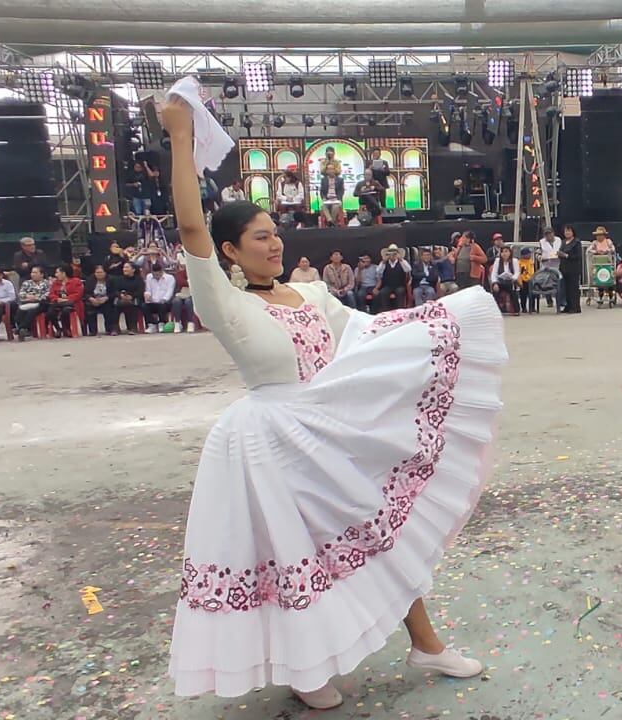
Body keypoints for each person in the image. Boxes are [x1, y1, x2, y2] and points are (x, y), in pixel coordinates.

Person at [160, 96, 505, 708]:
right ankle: (307, 668)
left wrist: (448, 319)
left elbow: (371, 332)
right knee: (295, 558)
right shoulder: (224, 302)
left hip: (329, 432)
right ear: (231, 252)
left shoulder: (309, 293)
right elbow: (191, 228)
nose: (274, 243)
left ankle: (424, 640)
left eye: (275, 233)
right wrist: (180, 137)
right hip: (268, 445)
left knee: (380, 533)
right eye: (259, 237)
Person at [46, 264, 83, 338]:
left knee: (66, 310)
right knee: (50, 311)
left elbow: (78, 294)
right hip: (58, 303)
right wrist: (58, 299)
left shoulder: (76, 281)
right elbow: (51, 294)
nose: (56, 275)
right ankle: (58, 329)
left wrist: (67, 299)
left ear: (64, 273)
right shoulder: (55, 283)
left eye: (57, 272)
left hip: (71, 303)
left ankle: (67, 329)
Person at [14, 265, 50, 340]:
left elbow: (48, 294)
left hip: (42, 304)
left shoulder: (47, 283)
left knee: (32, 311)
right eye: (32, 272)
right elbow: (21, 294)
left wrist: (36, 298)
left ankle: (21, 328)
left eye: (35, 272)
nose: (32, 274)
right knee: (20, 311)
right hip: (27, 302)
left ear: (41, 274)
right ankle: (23, 330)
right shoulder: (26, 283)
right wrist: (28, 297)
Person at [82, 264, 118, 336]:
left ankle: (110, 329)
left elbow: (114, 292)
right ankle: (93, 331)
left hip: (106, 300)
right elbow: (85, 293)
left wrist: (106, 298)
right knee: (89, 309)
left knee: (109, 308)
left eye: (101, 272)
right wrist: (91, 299)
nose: (99, 274)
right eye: (97, 272)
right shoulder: (90, 280)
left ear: (105, 273)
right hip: (94, 300)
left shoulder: (111, 279)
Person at [374, 244, 412, 313]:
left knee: (400, 292)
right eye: (390, 254)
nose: (392, 256)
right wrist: (383, 262)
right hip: (387, 286)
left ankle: (400, 312)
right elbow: (378, 271)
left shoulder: (402, 262)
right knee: (383, 293)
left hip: (399, 285)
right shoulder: (384, 263)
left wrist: (401, 260)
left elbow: (408, 269)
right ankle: (386, 312)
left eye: (394, 254)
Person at [557, 225, 584, 314]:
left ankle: (575, 307)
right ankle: (568, 306)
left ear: (572, 232)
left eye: (569, 231)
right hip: (564, 268)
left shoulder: (576, 242)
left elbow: (578, 255)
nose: (567, 233)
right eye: (565, 231)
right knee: (566, 288)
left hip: (573, 268)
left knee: (573, 288)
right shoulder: (563, 242)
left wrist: (566, 255)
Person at [143, 263, 176, 331]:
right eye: (154, 274)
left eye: (157, 275)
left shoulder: (170, 278)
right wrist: (147, 295)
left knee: (162, 306)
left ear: (161, 272)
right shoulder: (149, 276)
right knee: (144, 306)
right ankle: (151, 325)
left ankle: (162, 323)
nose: (156, 276)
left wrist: (164, 299)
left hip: (165, 302)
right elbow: (148, 289)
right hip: (153, 301)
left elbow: (170, 291)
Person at [489, 245, 520, 315]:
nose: (504, 254)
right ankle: (496, 310)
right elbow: (494, 273)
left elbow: (517, 272)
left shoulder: (514, 261)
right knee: (495, 291)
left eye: (506, 252)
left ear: (510, 253)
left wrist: (513, 278)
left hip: (510, 281)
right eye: (502, 252)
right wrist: (495, 283)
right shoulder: (497, 261)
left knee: (513, 290)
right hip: (500, 281)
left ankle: (516, 310)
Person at [115, 262, 145, 334]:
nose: (124, 269)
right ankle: (115, 328)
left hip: (134, 298)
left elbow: (140, 291)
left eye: (127, 267)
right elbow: (116, 290)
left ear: (133, 270)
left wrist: (131, 296)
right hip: (122, 298)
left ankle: (132, 328)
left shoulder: (139, 279)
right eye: (124, 267)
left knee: (133, 306)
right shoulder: (119, 279)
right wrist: (121, 295)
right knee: (114, 306)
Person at [171, 261, 197, 333]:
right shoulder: (180, 273)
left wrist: (189, 283)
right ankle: (177, 323)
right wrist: (189, 283)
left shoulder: (196, 274)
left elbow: (197, 283)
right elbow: (181, 282)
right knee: (176, 301)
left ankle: (190, 323)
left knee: (188, 301)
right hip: (181, 294)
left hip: (193, 295)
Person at [517, 247, 537, 313]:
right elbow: (519, 273)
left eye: (530, 253)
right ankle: (523, 308)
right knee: (523, 295)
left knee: (533, 294)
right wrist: (520, 282)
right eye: (528, 254)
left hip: (531, 280)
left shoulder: (531, 261)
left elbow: (534, 270)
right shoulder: (519, 263)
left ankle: (532, 307)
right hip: (523, 281)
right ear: (523, 255)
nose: (529, 255)